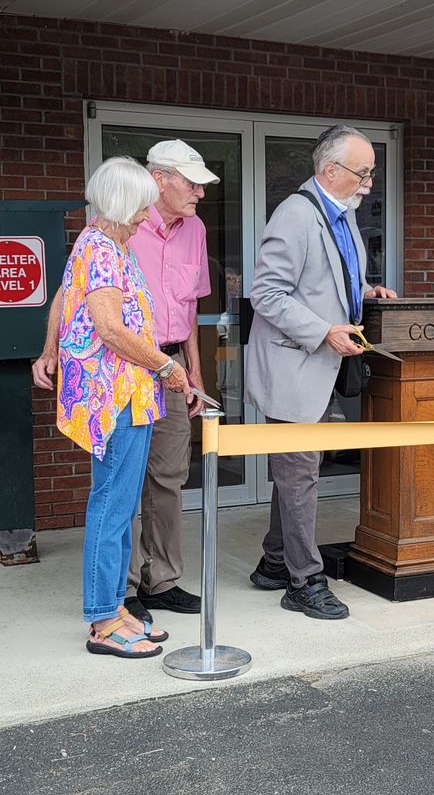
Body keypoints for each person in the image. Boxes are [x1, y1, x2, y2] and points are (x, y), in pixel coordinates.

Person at [34, 139, 218, 624]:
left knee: (154, 484)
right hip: (125, 382)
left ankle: (138, 594)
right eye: (191, 181)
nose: (199, 192)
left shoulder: (163, 236)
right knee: (116, 500)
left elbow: (184, 308)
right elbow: (95, 314)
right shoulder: (103, 241)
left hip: (153, 379)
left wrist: (185, 367)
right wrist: (51, 347)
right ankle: (112, 605)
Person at [244, 125, 397, 620]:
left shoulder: (341, 215)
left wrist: (365, 294)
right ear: (330, 170)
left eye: (371, 173)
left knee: (294, 472)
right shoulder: (295, 214)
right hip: (297, 364)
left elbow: (331, 279)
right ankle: (303, 580)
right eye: (363, 173)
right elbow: (265, 293)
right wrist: (324, 330)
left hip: (319, 367)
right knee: (300, 475)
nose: (369, 183)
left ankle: (272, 563)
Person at [56, 157, 190, 657]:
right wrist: (166, 367)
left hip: (127, 398)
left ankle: (115, 607)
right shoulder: (102, 248)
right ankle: (102, 621)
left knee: (117, 505)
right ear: (122, 203)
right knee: (112, 509)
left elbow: (71, 303)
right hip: (114, 399)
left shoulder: (108, 244)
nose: (146, 215)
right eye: (141, 206)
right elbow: (110, 328)